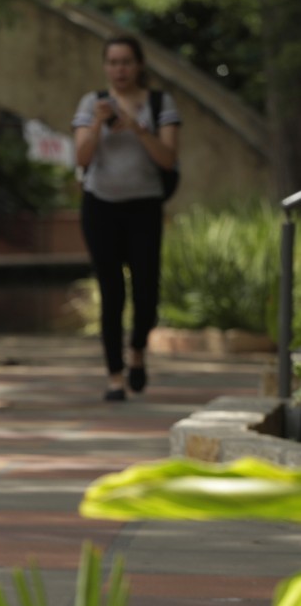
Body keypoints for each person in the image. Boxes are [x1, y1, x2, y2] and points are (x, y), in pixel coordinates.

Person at [72, 34, 181, 401]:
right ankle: (114, 376)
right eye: (113, 62)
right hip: (100, 205)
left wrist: (136, 127)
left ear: (139, 66)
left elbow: (167, 158)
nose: (119, 69)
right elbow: (81, 158)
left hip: (144, 205)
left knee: (146, 289)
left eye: (126, 62)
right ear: (105, 67)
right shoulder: (92, 103)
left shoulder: (159, 103)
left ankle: (137, 352)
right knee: (111, 290)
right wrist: (98, 125)